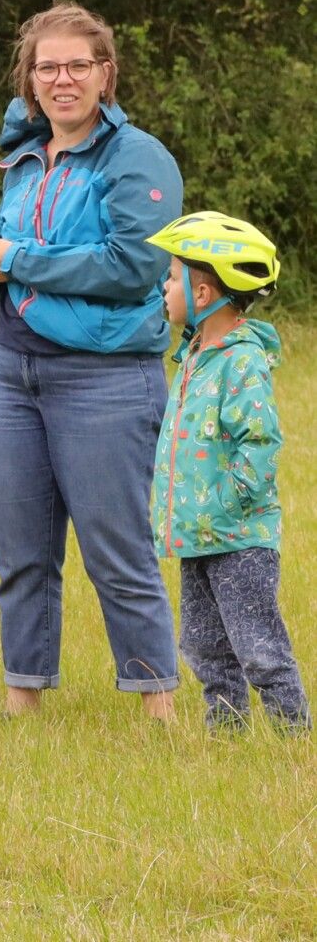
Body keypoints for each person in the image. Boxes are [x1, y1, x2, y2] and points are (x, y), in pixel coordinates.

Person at [0, 0, 182, 719]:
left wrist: (18, 259)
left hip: (105, 379)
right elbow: (25, 259)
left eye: (78, 65)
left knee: (118, 554)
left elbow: (134, 265)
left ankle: (157, 709)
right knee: (20, 553)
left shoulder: (137, 157)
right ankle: (22, 700)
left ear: (106, 74)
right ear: (30, 79)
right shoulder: (25, 156)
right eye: (47, 67)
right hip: (10, 374)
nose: (62, 79)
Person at [146, 212, 307, 731]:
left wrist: (227, 502)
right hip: (200, 535)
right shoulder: (195, 354)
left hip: (237, 537)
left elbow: (259, 443)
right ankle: (227, 735)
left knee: (258, 646)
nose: (164, 288)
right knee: (203, 645)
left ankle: (294, 736)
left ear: (203, 291)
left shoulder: (241, 361)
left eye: (172, 278)